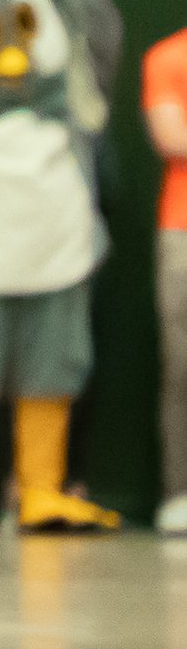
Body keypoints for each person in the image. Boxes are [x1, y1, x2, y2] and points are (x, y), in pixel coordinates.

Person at [143, 26, 187, 537]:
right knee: (182, 365)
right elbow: (171, 136)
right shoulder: (168, 57)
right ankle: (179, 494)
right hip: (180, 234)